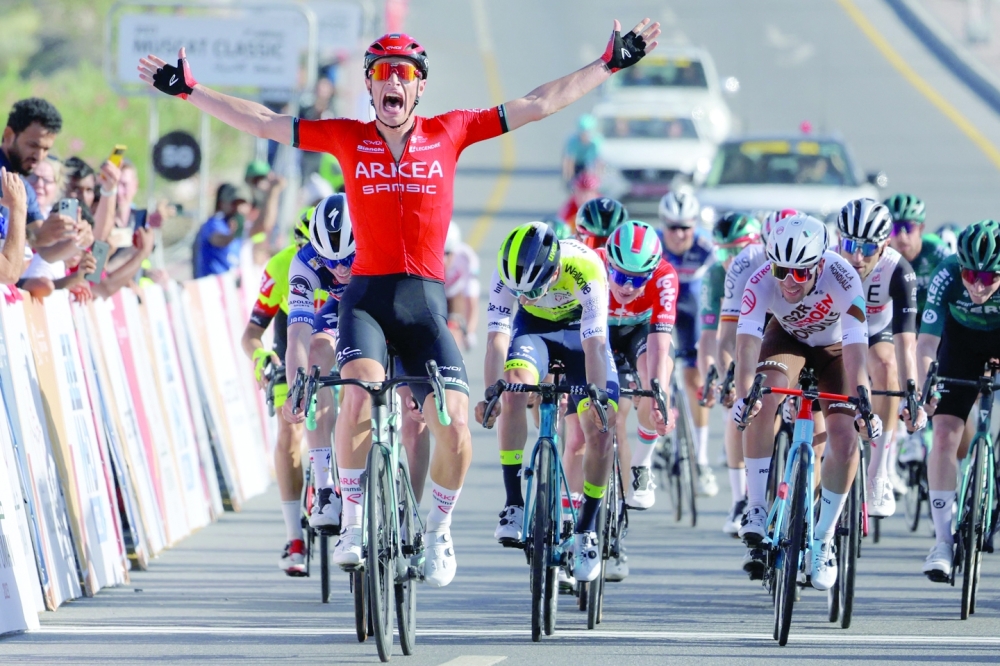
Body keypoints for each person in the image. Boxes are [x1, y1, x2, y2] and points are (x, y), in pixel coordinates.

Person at [139, 17, 661, 588]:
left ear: (418, 87)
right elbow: (264, 121)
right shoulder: (346, 137)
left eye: (404, 74)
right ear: (369, 86)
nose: (393, 82)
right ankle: (355, 524)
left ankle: (436, 532)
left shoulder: (450, 131)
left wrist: (608, 64)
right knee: (359, 395)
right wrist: (190, 91)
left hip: (425, 304)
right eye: (382, 73)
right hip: (366, 301)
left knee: (453, 424)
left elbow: (537, 103)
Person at [733, 214, 881, 589]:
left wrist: (863, 400)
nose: (788, 282)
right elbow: (747, 343)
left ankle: (823, 541)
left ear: (819, 263)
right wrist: (743, 393)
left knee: (844, 437)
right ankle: (755, 506)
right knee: (762, 400)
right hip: (787, 340)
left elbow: (856, 348)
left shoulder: (843, 276)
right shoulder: (759, 280)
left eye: (800, 273)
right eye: (781, 270)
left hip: (836, 349)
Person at [480, 222, 619, 584]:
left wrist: (594, 396)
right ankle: (513, 502)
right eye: (518, 291)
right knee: (512, 389)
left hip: (580, 334)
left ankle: (586, 529)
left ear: (555, 270)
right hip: (534, 332)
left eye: (535, 288)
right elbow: (497, 337)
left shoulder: (586, 268)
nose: (525, 296)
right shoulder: (506, 271)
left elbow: (595, 346)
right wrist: (491, 392)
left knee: (601, 428)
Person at [916, 221, 1000, 581]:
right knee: (946, 433)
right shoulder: (946, 273)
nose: (978, 285)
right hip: (960, 343)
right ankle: (942, 543)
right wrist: (924, 392)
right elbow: (925, 345)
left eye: (989, 277)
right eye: (971, 274)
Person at [835, 198, 925, 518]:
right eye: (849, 244)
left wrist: (911, 391)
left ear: (885, 244)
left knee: (888, 368)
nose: (857, 257)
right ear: (837, 237)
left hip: (876, 332)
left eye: (869, 248)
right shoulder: (827, 260)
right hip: (832, 332)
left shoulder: (899, 269)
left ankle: (878, 472)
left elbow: (907, 341)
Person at [281, 195, 356, 565]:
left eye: (348, 259)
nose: (340, 269)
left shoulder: (377, 242)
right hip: (337, 310)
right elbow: (296, 333)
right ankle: (325, 485)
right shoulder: (305, 261)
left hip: (378, 304)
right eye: (332, 261)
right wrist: (297, 387)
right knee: (315, 359)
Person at [241, 213, 313, 575]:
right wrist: (259, 355)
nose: (307, 257)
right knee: (290, 433)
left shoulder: (354, 261)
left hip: (340, 343)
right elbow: (252, 332)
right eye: (300, 246)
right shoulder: (282, 265)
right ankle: (294, 536)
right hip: (292, 346)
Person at [697, 212, 761, 533]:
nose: (730, 260)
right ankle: (739, 498)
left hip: (772, 341)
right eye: (723, 252)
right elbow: (711, 338)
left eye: (737, 251)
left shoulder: (765, 265)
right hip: (736, 343)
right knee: (737, 410)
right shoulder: (715, 277)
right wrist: (721, 377)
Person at [657, 188, 717, 497]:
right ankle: (658, 439)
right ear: (662, 225)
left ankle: (702, 459)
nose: (680, 234)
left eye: (686, 227)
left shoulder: (708, 246)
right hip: (662, 301)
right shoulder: (653, 244)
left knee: (695, 376)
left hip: (692, 301)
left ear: (696, 225)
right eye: (673, 227)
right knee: (655, 367)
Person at [193, 183, 249, 278]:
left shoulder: (239, 225)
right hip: (212, 285)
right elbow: (217, 239)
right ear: (222, 203)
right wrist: (231, 236)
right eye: (234, 203)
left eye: (240, 204)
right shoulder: (214, 222)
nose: (237, 209)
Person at [444, 222, 480, 351]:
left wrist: (470, 332)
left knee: (454, 328)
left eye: (448, 253)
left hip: (455, 294)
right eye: (440, 253)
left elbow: (472, 300)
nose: (444, 260)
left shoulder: (467, 258)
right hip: (434, 293)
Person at [562, 114, 604, 185]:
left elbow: (599, 162)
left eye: (587, 134)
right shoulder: (573, 141)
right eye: (583, 134)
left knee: (590, 174)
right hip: (577, 162)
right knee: (575, 181)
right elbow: (569, 161)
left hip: (589, 162)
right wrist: (568, 177)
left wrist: (598, 178)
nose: (585, 136)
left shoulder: (597, 141)